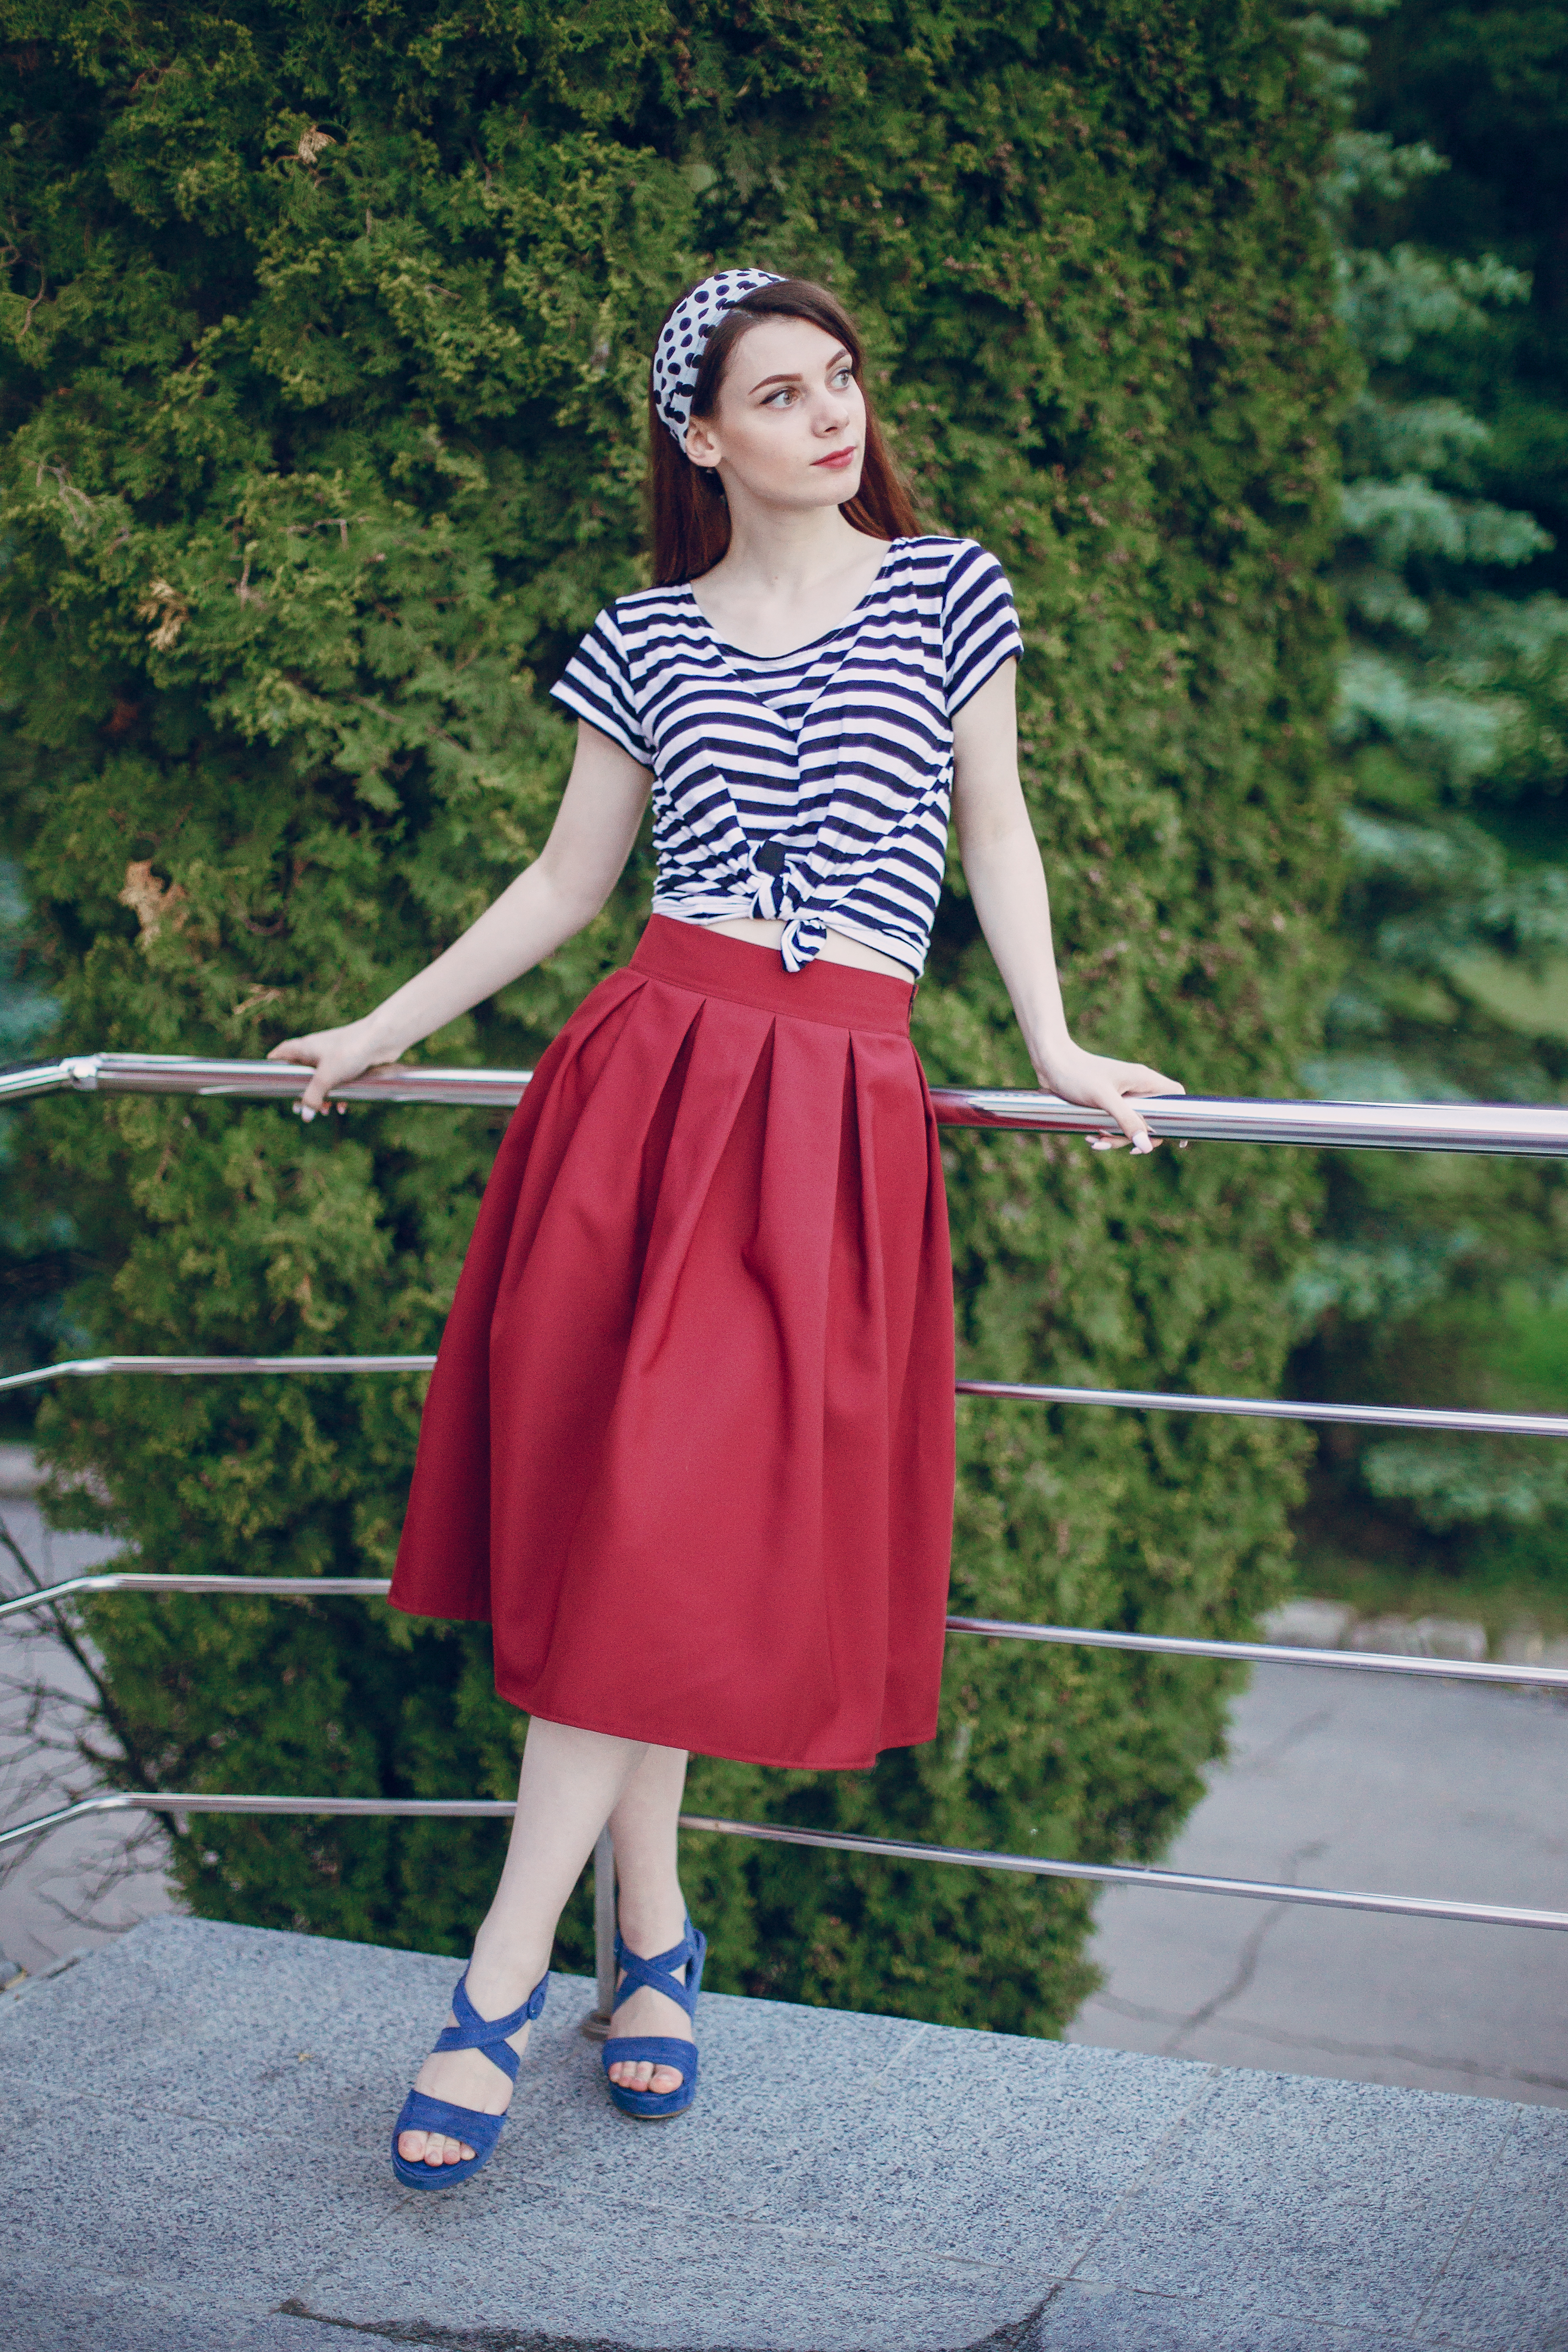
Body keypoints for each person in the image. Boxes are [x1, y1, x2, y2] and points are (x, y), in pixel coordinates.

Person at [269, 269, 1181, 2188]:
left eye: (841, 377)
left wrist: (1055, 1038)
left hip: (836, 1109)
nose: (831, 413)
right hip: (650, 1090)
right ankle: (628, 1947)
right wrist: (383, 1027)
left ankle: (517, 1971)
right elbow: (564, 879)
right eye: (781, 391)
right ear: (704, 436)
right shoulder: (642, 636)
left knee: (663, 1522)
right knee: (641, 1523)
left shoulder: (953, 593)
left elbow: (996, 833)